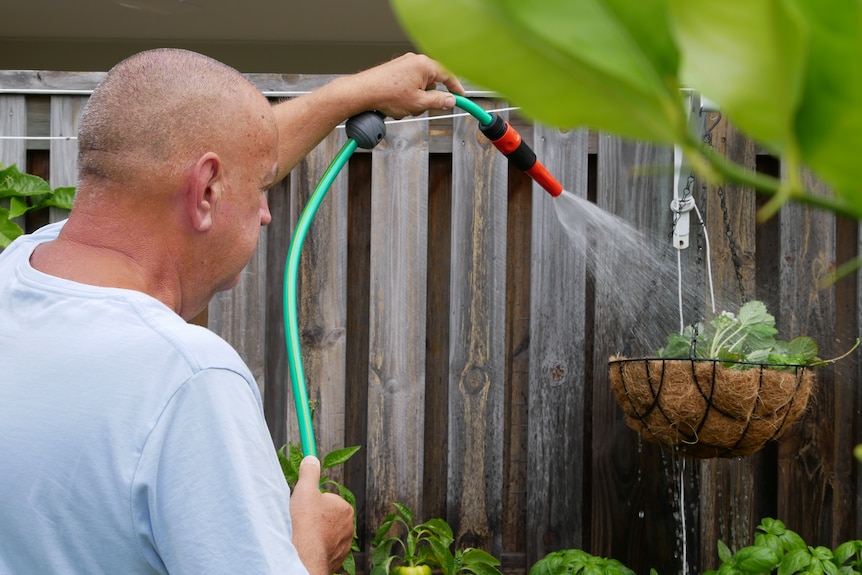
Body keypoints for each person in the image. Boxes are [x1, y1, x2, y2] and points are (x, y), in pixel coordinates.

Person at [0, 48, 463, 574]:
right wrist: (311, 548)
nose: (266, 214)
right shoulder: (185, 378)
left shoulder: (21, 268)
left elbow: (185, 164)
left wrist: (349, 96)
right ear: (207, 191)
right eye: (263, 189)